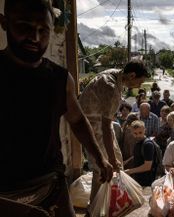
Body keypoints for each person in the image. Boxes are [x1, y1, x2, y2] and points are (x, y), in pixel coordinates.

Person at [0, 0, 113, 216]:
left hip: (52, 184)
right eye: (24, 26)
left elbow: (77, 120)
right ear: (4, 23)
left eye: (43, 30)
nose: (34, 37)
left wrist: (100, 158)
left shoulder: (60, 79)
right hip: (5, 193)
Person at [78, 59, 149, 203]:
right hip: (91, 126)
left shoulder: (114, 75)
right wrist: (109, 158)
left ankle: (113, 202)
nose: (139, 86)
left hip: (99, 123)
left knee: (118, 165)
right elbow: (105, 128)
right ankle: (96, 210)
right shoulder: (111, 89)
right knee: (103, 170)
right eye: (139, 82)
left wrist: (113, 157)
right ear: (132, 76)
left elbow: (107, 125)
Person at [125, 120, 156, 186]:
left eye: (140, 132)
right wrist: (126, 161)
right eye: (135, 133)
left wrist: (130, 171)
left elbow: (147, 166)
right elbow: (139, 155)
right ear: (131, 133)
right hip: (139, 179)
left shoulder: (147, 144)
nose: (138, 135)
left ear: (145, 130)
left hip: (147, 181)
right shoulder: (138, 142)